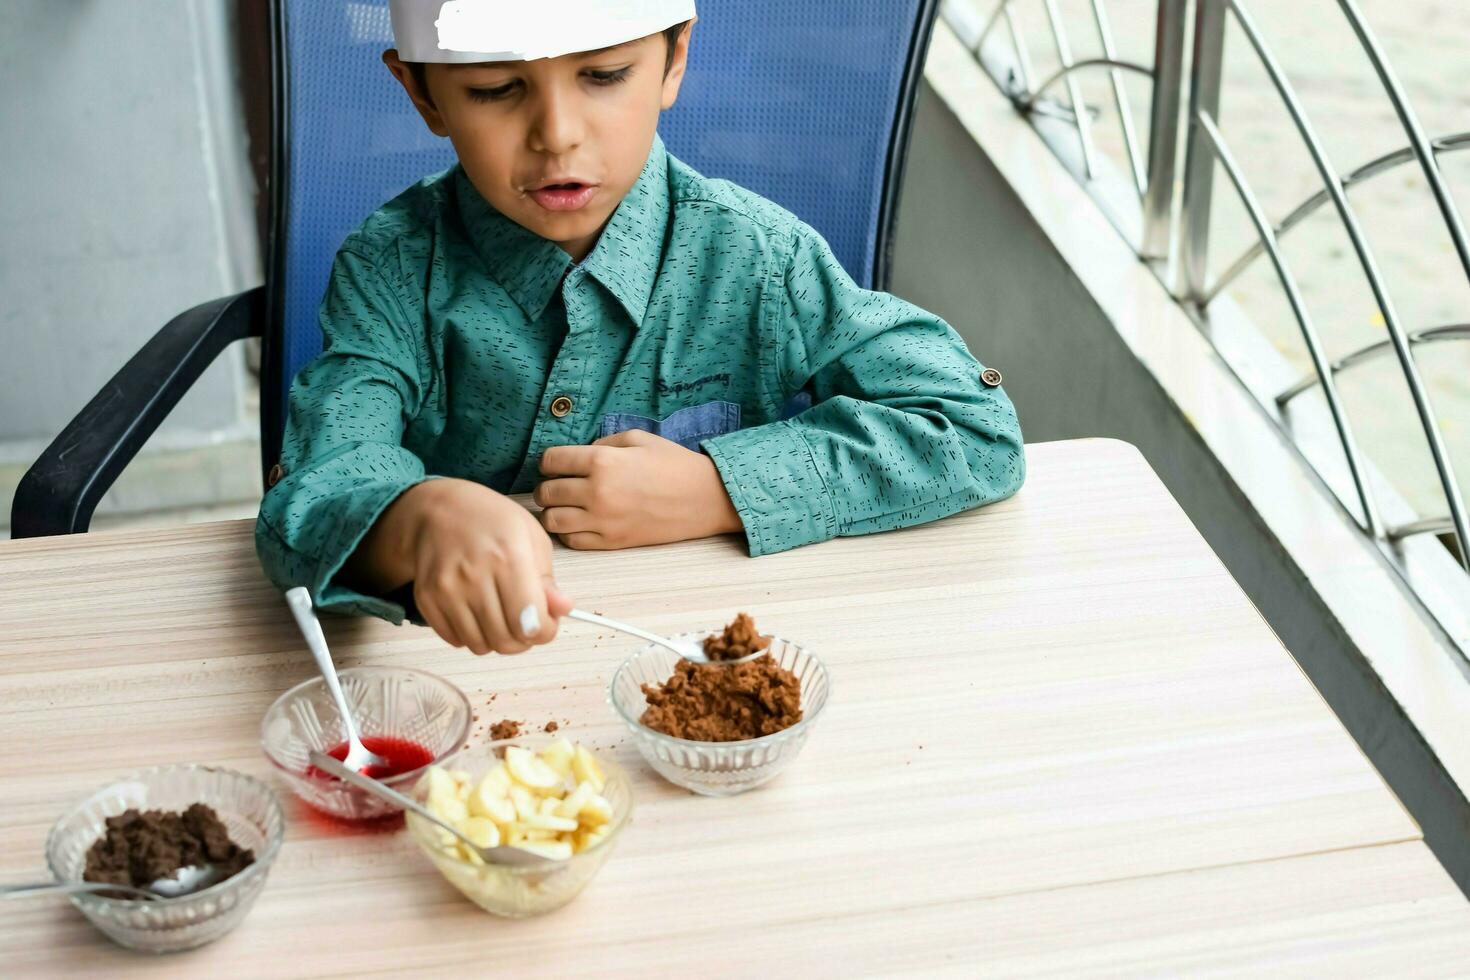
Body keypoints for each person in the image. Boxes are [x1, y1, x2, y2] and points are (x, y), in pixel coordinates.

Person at [255, 0, 1024, 657]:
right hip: (454, 683)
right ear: (422, 94)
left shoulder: (758, 257)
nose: (556, 134)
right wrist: (411, 521)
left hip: (688, 665)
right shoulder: (390, 267)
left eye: (603, 75)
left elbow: (971, 425)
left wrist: (719, 488)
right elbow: (311, 497)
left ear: (673, 57)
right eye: (495, 89)